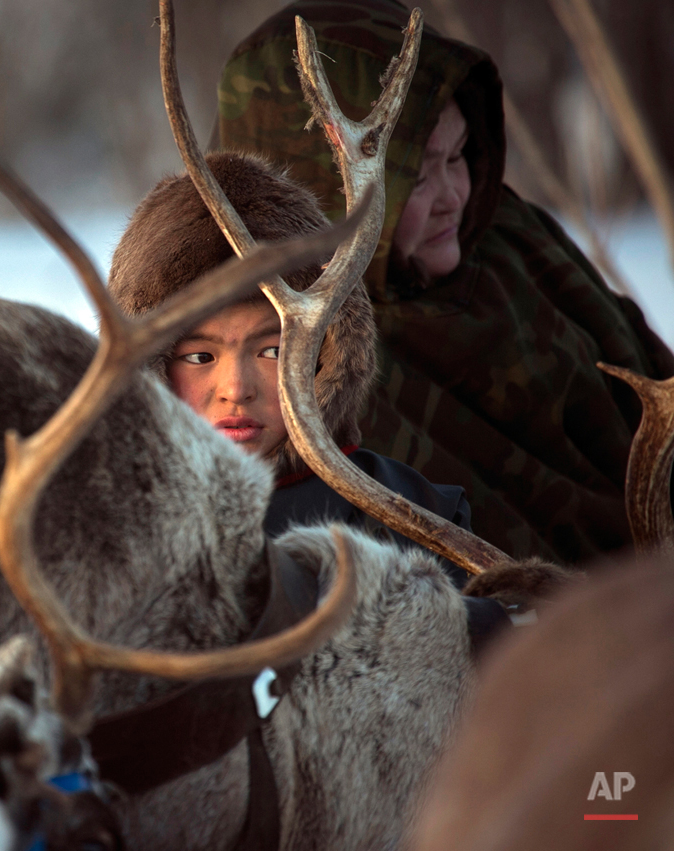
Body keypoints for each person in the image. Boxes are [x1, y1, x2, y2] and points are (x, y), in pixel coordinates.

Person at [213, 0, 674, 564]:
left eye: (457, 156)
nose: (454, 195)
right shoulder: (316, 371)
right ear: (323, 189)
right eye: (417, 173)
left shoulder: (509, 237)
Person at [109, 151, 473, 587]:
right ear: (145, 369)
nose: (236, 389)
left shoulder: (420, 524)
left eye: (273, 352)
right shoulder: (98, 532)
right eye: (200, 357)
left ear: (328, 354)